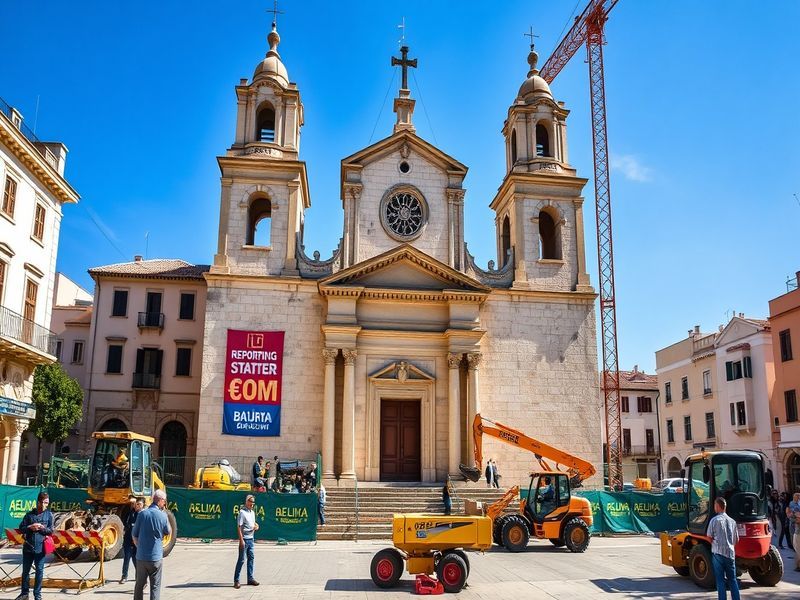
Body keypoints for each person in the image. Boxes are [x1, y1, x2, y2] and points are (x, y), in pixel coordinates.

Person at [132, 489, 171, 600]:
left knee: (139, 585)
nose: (164, 503)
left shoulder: (142, 514)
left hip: (141, 558)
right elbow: (168, 531)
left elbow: (134, 534)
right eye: (164, 501)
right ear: (160, 501)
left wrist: (139, 547)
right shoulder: (163, 516)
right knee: (155, 587)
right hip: (155, 558)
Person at [15, 491, 53, 600]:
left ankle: (37, 595)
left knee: (39, 572)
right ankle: (24, 594)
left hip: (40, 549)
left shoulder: (49, 515)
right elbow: (21, 528)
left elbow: (51, 531)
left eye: (47, 503)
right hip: (28, 547)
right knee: (26, 571)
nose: (46, 505)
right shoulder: (29, 515)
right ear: (39, 502)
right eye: (44, 502)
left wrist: (42, 529)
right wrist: (30, 527)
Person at [707, 497, 740, 600]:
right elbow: (736, 540)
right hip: (730, 554)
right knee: (733, 580)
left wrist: (715, 544)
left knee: (720, 581)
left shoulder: (714, 520)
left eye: (714, 505)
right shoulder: (732, 521)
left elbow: (709, 536)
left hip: (718, 554)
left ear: (717, 506)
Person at [234, 495, 260, 588]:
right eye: (250, 502)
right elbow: (239, 527)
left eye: (253, 502)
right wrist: (241, 541)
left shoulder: (252, 512)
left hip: (251, 540)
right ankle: (236, 581)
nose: (252, 504)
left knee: (251, 559)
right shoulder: (242, 512)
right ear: (246, 502)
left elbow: (253, 524)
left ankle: (250, 579)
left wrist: (256, 526)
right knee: (241, 560)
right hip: (244, 539)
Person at [120, 496, 144, 584]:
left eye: (138, 504)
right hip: (128, 539)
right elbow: (125, 523)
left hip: (137, 541)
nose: (136, 506)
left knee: (136, 559)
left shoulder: (143, 515)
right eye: (135, 504)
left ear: (142, 505)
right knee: (126, 557)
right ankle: (124, 576)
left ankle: (138, 576)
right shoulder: (129, 513)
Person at [790, 492, 800, 571]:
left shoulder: (796, 507)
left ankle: (798, 566)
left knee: (797, 549)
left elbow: (793, 517)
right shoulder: (793, 505)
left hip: (798, 531)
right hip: (796, 530)